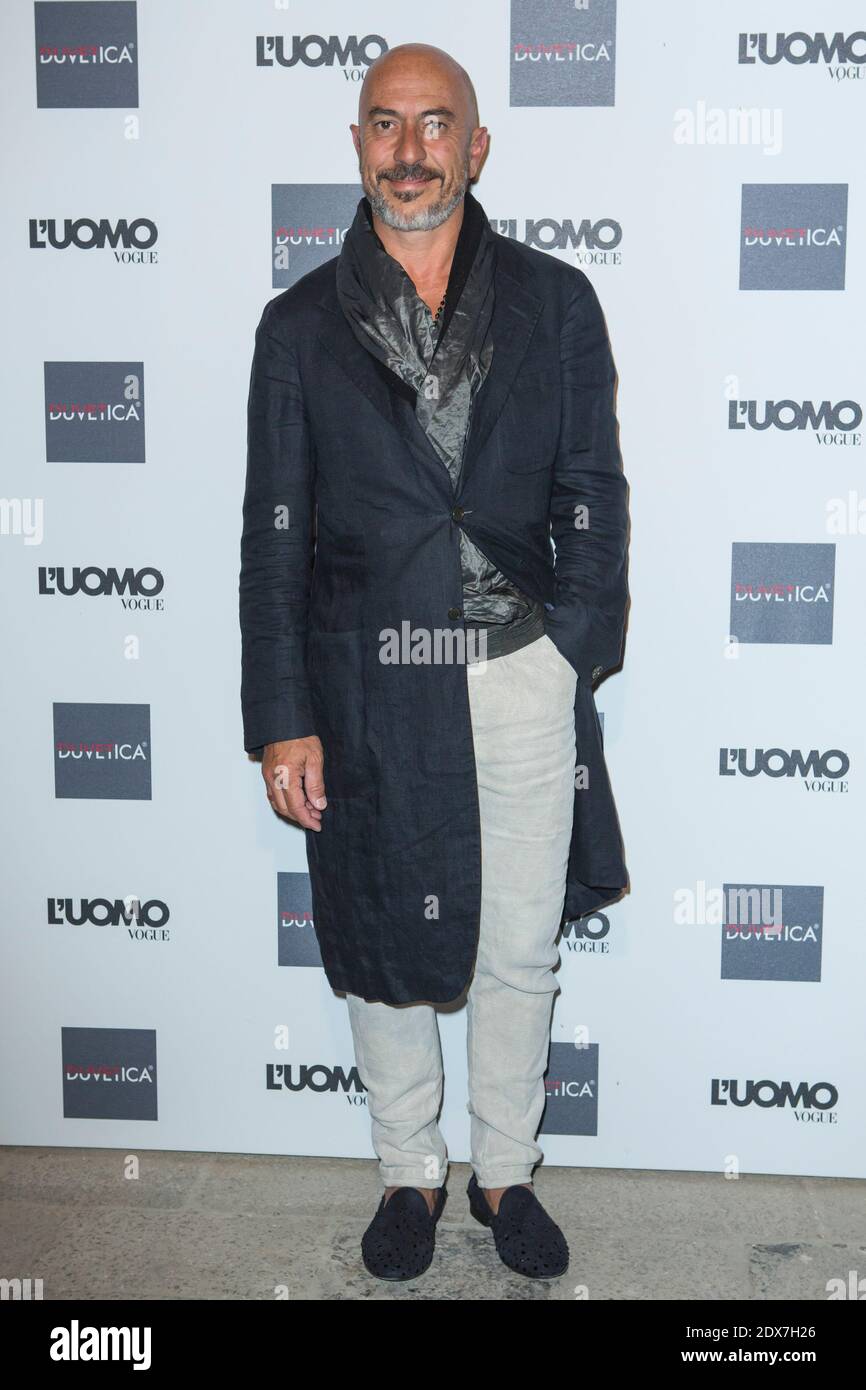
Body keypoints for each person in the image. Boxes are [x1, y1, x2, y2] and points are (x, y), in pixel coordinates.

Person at [239, 42, 629, 1282]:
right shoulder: (296, 327)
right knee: (385, 944)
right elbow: (272, 540)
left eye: (434, 124)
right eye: (383, 124)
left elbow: (593, 492)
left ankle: (505, 1174)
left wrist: (572, 651)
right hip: (364, 684)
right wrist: (280, 717)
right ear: (357, 144)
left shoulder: (555, 300)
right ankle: (407, 1172)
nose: (408, 149)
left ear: (475, 147)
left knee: (516, 942)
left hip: (518, 665)